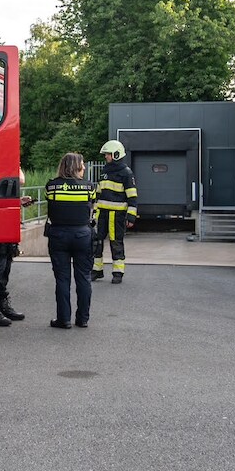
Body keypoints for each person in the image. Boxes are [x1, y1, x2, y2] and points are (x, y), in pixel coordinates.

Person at [44, 153, 95, 329]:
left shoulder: (52, 186)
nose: (85, 168)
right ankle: (83, 319)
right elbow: (92, 207)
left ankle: (63, 319)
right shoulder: (89, 187)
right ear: (76, 167)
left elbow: (50, 204)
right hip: (82, 236)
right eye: (82, 165)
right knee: (84, 278)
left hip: (58, 236)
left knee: (62, 279)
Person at [0, 170, 34, 326]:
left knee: (5, 269)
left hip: (7, 225)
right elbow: (21, 179)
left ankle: (1, 305)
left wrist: (18, 201)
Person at [92, 139, 138, 284]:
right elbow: (98, 193)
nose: (106, 157)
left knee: (116, 243)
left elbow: (132, 196)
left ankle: (118, 272)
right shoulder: (105, 171)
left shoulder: (126, 173)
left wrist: (131, 216)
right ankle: (96, 270)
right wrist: (93, 211)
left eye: (108, 154)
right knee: (96, 242)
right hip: (102, 214)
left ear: (116, 155)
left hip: (117, 215)